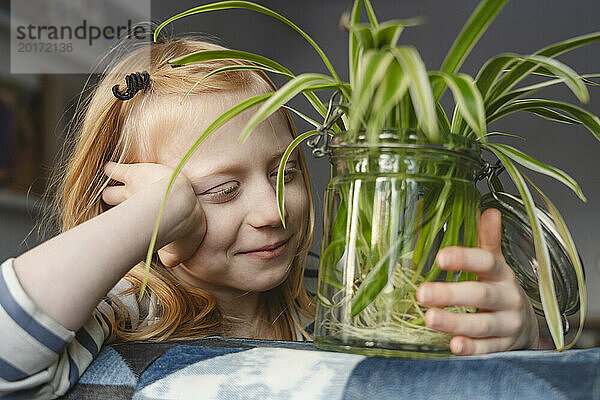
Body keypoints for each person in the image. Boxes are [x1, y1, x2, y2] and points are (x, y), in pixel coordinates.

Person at [0, 36, 539, 398]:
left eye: (287, 173)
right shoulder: (121, 315)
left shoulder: (335, 311)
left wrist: (515, 339)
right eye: (222, 189)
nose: (273, 209)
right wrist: (152, 215)